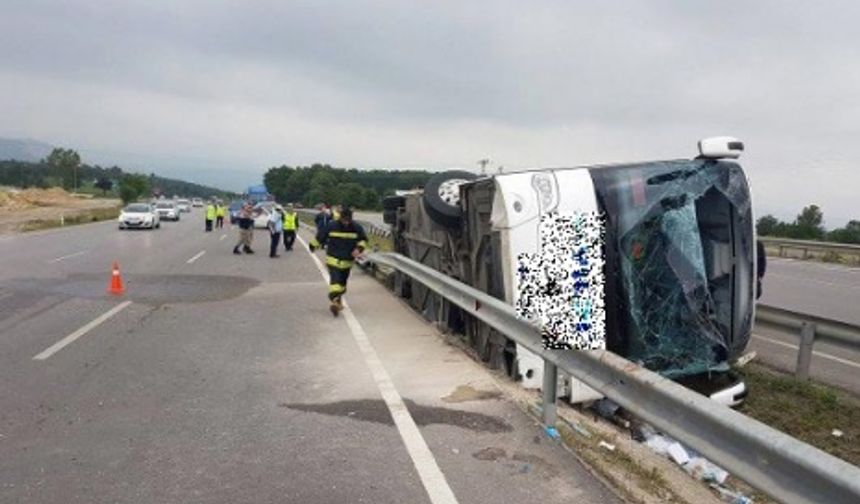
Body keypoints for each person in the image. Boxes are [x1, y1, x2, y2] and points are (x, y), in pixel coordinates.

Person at [309, 207, 368, 316]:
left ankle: (337, 299)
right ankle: (335, 301)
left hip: (347, 262)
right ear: (340, 218)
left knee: (342, 284)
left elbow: (363, 240)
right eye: (344, 220)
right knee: (335, 282)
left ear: (351, 219)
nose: (346, 222)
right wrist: (313, 245)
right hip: (333, 260)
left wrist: (358, 249)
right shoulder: (332, 225)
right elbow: (320, 236)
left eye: (348, 220)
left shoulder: (356, 227)